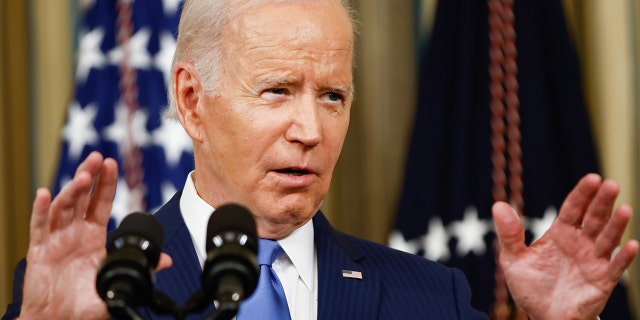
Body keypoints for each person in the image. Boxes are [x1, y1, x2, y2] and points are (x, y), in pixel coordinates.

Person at [4, 0, 639, 319]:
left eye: (332, 96)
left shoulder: (431, 298)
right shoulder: (100, 291)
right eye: (277, 90)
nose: (309, 129)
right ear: (192, 101)